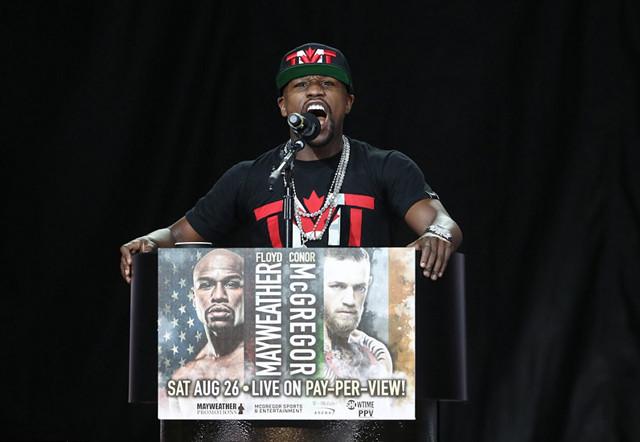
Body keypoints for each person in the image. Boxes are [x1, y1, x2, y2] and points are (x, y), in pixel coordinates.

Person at [120, 42, 462, 285]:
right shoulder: (251, 176)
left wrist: (437, 234)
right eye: (301, 85)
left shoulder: (385, 166)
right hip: (274, 343)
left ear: (348, 102)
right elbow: (177, 234)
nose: (315, 91)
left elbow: (442, 221)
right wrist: (150, 241)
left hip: (362, 337)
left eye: (327, 83)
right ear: (284, 106)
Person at [171, 249, 245, 382]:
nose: (219, 296)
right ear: (193, 298)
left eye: (232, 284)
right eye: (206, 285)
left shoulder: (269, 362)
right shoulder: (184, 377)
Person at [322, 248, 392, 382]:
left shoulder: (376, 353)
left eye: (360, 288)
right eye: (337, 286)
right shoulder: (293, 350)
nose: (350, 300)